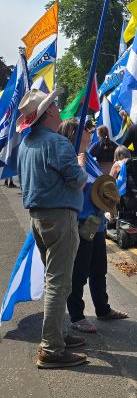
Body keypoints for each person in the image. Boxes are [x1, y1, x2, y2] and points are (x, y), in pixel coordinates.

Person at [16, 88, 88, 369]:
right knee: (59, 282)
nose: (59, 109)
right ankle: (52, 349)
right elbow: (77, 180)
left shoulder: (26, 143)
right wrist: (80, 163)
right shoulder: (57, 143)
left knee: (54, 280)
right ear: (48, 112)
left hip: (38, 217)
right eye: (55, 105)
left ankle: (58, 334)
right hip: (59, 217)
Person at [59, 119, 128, 333]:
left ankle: (103, 309)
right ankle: (77, 316)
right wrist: (79, 163)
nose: (90, 133)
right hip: (80, 223)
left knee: (99, 269)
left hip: (95, 223)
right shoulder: (70, 157)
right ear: (75, 134)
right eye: (86, 130)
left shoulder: (87, 155)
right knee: (79, 273)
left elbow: (98, 183)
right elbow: (77, 186)